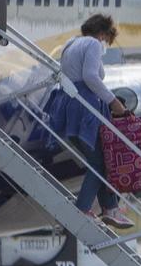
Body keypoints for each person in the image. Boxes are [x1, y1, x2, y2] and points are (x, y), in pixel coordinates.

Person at [44, 14, 130, 228]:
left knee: (100, 160)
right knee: (100, 163)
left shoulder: (71, 43)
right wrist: (113, 102)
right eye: (107, 40)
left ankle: (110, 208)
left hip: (68, 107)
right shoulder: (92, 44)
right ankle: (83, 209)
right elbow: (91, 76)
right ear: (103, 34)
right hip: (85, 108)